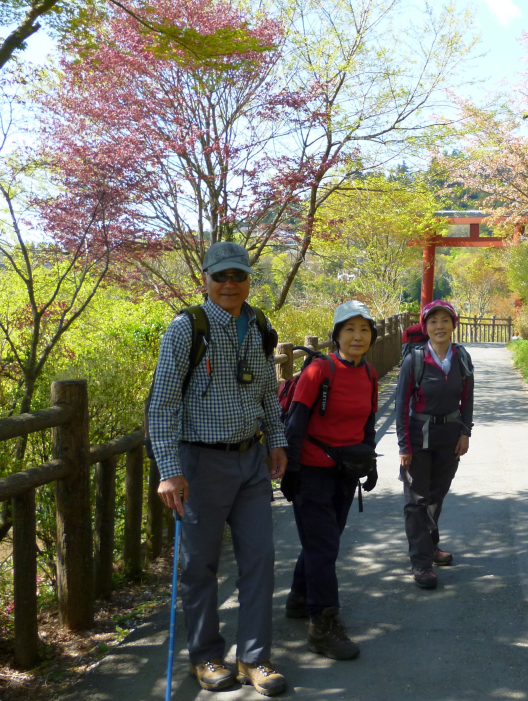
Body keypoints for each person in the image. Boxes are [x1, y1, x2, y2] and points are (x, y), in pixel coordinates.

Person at [148, 241, 288, 696]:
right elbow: (162, 405)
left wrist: (277, 441)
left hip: (250, 460)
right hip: (200, 463)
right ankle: (206, 656)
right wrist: (169, 470)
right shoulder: (186, 329)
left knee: (260, 559)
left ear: (249, 279)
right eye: (220, 276)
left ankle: (255, 658)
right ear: (204, 279)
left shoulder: (259, 323)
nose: (230, 285)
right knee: (200, 565)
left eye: (238, 276)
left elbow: (268, 389)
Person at [279, 300, 379, 661]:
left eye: (364, 329)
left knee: (325, 539)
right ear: (336, 335)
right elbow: (295, 424)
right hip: (311, 471)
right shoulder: (318, 371)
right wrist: (290, 472)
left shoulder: (368, 374)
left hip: (346, 472)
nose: (357, 336)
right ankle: (322, 624)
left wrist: (371, 463)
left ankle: (299, 597)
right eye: (349, 329)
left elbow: (367, 422)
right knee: (324, 546)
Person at [395, 300, 474, 589]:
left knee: (436, 496)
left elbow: (467, 399)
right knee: (416, 501)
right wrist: (404, 446)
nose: (439, 326)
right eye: (433, 321)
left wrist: (465, 432)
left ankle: (430, 546)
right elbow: (401, 405)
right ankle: (421, 562)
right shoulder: (414, 359)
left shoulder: (462, 358)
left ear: (454, 325)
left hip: (449, 437)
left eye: (445, 321)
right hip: (418, 437)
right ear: (425, 327)